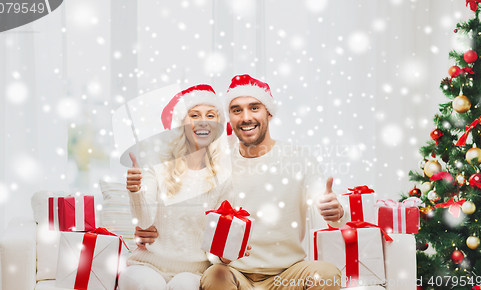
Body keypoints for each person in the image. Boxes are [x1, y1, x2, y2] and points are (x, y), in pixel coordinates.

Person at [136, 75, 346, 290]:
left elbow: (322, 196)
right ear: (229, 118)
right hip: (232, 272)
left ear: (269, 113)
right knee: (214, 275)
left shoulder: (298, 158)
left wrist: (335, 210)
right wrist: (149, 226)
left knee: (327, 274)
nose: (246, 117)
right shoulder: (216, 157)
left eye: (254, 108)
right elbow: (178, 184)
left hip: (287, 273)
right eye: (237, 110)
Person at [119, 84, 235, 290]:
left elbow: (218, 240)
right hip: (148, 265)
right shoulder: (157, 163)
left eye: (210, 115)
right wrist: (135, 191)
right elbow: (144, 221)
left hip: (193, 271)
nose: (202, 121)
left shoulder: (224, 177)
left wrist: (227, 253)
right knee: (150, 285)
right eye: (194, 115)